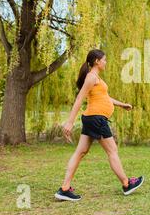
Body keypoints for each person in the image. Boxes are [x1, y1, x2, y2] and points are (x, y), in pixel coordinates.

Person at [55, 49, 144, 201]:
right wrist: (69, 122)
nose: (106, 62)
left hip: (92, 118)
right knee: (112, 151)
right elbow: (79, 99)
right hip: (96, 119)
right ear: (97, 61)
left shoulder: (96, 78)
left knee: (80, 152)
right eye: (104, 59)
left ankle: (64, 188)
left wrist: (122, 105)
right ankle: (126, 183)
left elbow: (105, 97)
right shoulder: (91, 77)